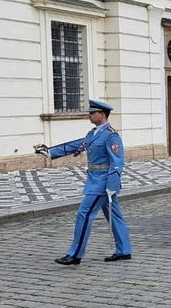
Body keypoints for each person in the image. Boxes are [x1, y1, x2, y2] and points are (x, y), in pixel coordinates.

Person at [33, 100, 131, 265]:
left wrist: (112, 186)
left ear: (102, 114)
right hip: (95, 179)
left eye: (92, 112)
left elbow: (117, 162)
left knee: (84, 214)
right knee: (115, 216)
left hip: (102, 183)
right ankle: (124, 251)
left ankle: (75, 254)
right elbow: (75, 145)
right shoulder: (93, 133)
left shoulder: (111, 135)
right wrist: (50, 153)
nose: (89, 115)